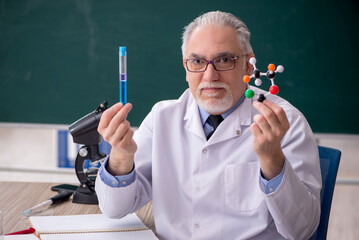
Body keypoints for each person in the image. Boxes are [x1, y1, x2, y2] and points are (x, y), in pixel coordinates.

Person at [95, 11, 321, 240]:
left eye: (224, 60)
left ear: (248, 67)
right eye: (197, 61)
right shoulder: (162, 118)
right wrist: (121, 157)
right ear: (186, 67)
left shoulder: (285, 122)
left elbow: (302, 230)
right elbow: (115, 209)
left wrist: (272, 161)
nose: (210, 75)